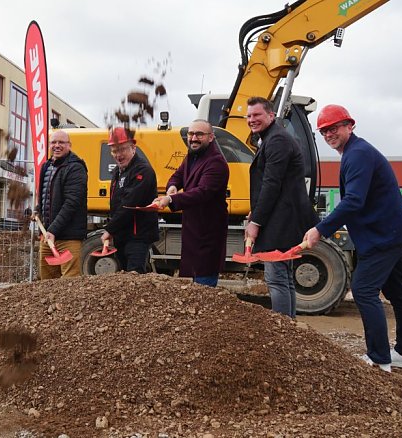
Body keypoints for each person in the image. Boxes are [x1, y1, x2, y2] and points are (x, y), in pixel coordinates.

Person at [303, 104, 402, 373]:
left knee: (365, 290)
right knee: (397, 292)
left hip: (384, 236)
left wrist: (321, 229)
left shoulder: (358, 154)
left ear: (349, 125)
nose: (329, 134)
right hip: (392, 232)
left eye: (333, 128)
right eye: (324, 131)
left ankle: (379, 358)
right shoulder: (356, 153)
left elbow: (354, 200)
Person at [245, 97, 318, 318]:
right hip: (284, 217)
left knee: (276, 278)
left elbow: (272, 183)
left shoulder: (277, 140)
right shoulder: (272, 139)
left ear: (271, 115)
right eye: (248, 116)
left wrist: (256, 221)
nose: (251, 120)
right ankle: (289, 326)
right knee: (284, 277)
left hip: (280, 220)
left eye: (257, 115)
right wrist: (255, 210)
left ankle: (283, 329)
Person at [153, 120, 229, 286]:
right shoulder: (191, 156)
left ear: (211, 137)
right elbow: (177, 175)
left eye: (199, 134)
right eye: (191, 134)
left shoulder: (216, 163)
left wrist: (171, 199)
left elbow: (202, 193)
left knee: (204, 285)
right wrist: (173, 186)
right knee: (191, 284)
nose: (194, 138)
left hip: (208, 233)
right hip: (192, 230)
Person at [102, 127, 159, 273]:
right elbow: (116, 203)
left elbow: (130, 203)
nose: (118, 155)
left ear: (133, 148)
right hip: (122, 235)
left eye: (122, 149)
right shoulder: (117, 172)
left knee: (135, 276)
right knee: (124, 276)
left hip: (138, 235)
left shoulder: (143, 171)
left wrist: (110, 229)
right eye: (114, 151)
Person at [34, 130, 88, 279]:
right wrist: (38, 210)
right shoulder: (46, 166)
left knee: (69, 284)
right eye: (53, 142)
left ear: (69, 145)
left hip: (68, 238)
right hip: (48, 236)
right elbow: (47, 195)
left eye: (61, 142)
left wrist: (53, 230)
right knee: (47, 282)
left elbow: (72, 203)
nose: (57, 146)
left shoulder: (76, 168)